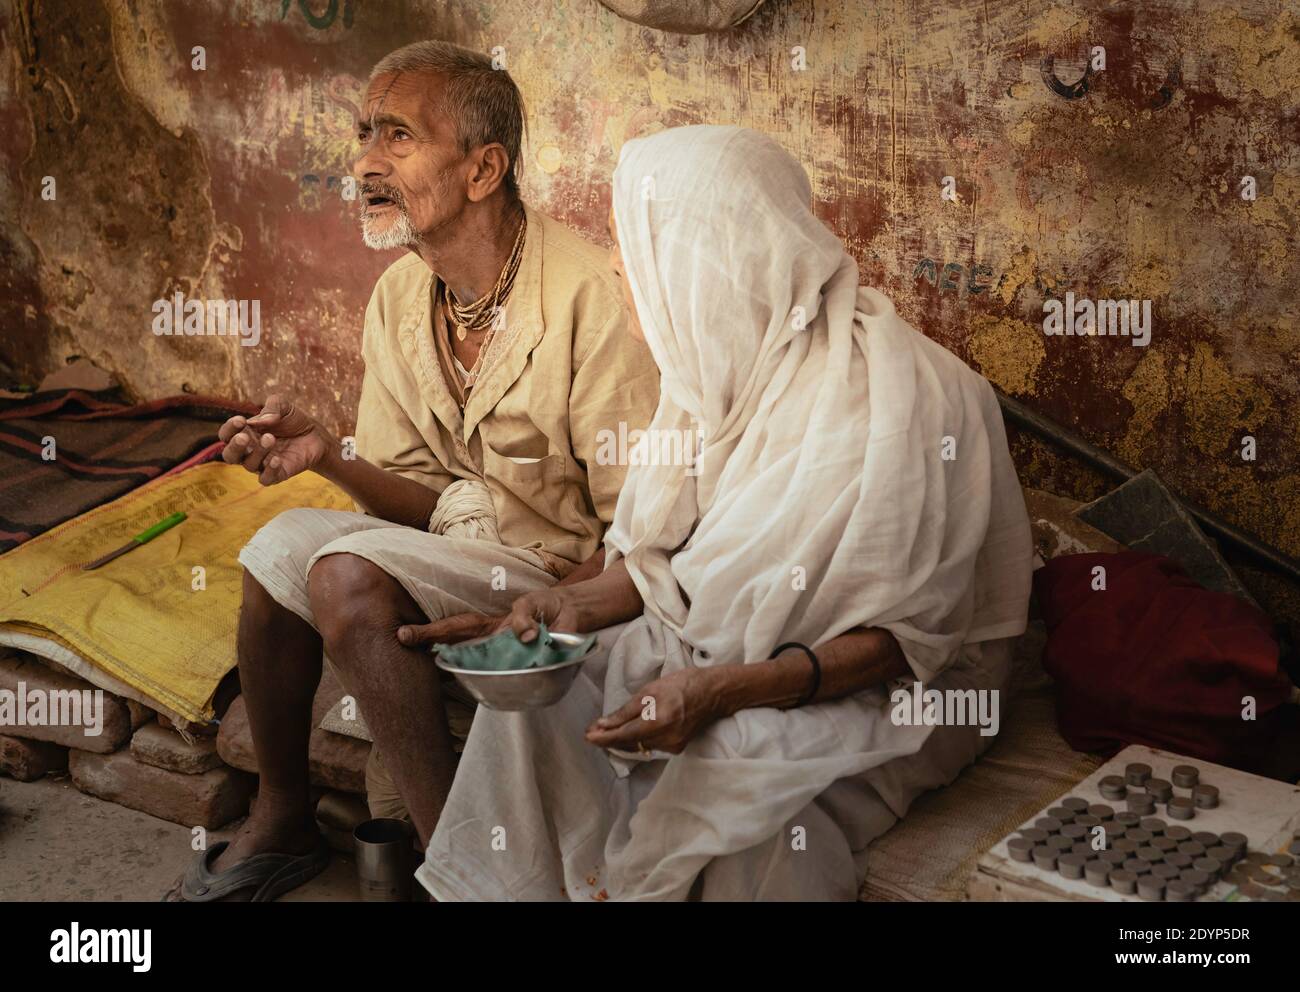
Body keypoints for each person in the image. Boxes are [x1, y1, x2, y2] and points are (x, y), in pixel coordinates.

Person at [415, 124, 1034, 901]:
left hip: (883, 692)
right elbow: (653, 565)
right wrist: (560, 605)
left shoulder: (907, 401)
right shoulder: (708, 372)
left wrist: (721, 693)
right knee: (536, 704)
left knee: (732, 777)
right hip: (713, 655)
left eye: (637, 248)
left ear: (712, 262)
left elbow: (899, 647)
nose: (616, 266)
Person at [169, 41, 657, 902]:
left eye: (397, 136)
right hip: (458, 552)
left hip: (567, 577)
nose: (363, 163)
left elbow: (638, 535)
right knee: (277, 545)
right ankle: (281, 817)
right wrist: (328, 452)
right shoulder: (401, 295)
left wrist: (542, 609)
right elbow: (421, 499)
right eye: (364, 134)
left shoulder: (589, 299)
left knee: (346, 577)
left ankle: (451, 877)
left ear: (482, 170)